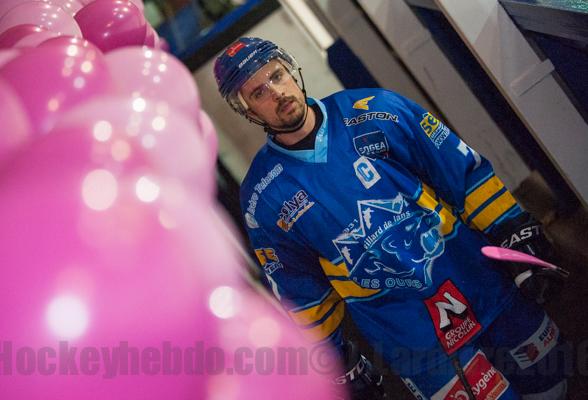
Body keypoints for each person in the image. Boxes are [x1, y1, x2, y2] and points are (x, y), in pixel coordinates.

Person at [213, 37, 568, 399]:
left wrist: (513, 228)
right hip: (413, 338)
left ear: (291, 70)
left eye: (276, 75)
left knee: (553, 385)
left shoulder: (377, 109)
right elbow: (297, 286)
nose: (276, 92)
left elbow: (461, 172)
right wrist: (333, 359)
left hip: (482, 282)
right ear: (247, 110)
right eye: (258, 93)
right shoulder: (263, 198)